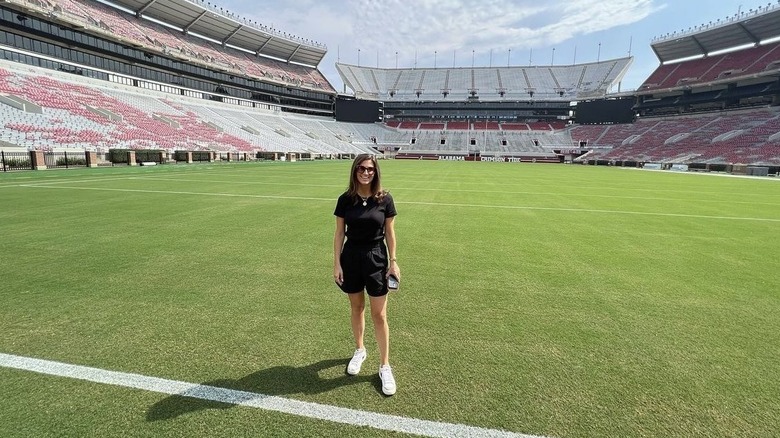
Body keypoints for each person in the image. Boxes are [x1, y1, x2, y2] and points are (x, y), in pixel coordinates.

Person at [333, 154, 400, 396]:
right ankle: (360, 349)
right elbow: (339, 233)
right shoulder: (345, 199)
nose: (365, 172)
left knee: (379, 315)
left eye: (370, 169)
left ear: (376, 172)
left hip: (376, 258)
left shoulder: (385, 199)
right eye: (361, 168)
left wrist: (393, 262)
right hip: (350, 257)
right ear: (355, 171)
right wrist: (337, 263)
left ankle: (384, 365)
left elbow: (390, 233)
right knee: (356, 307)